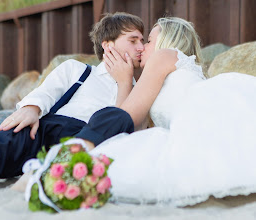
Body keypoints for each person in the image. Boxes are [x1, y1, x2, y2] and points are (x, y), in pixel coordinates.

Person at [0, 12, 143, 200]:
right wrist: (31, 108)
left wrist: (125, 82)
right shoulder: (80, 70)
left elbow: (122, 125)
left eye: (142, 41)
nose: (141, 47)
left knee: (106, 121)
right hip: (48, 127)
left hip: (89, 138)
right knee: (0, 143)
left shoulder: (139, 90)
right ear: (108, 44)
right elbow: (45, 93)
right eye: (133, 40)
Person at [84, 17, 256, 206]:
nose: (142, 48)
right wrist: (125, 82)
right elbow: (131, 130)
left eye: (148, 41)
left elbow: (126, 118)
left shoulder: (164, 55)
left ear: (166, 41)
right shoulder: (171, 70)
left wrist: (124, 82)